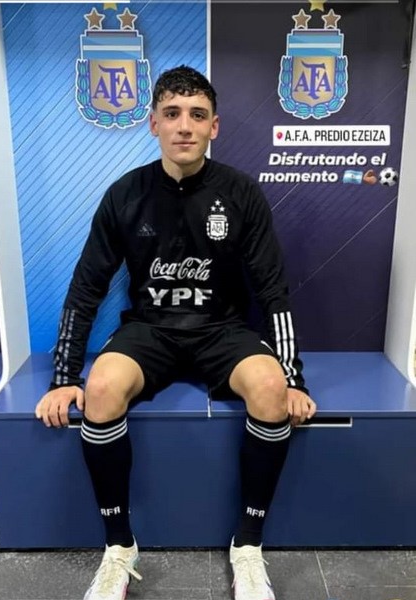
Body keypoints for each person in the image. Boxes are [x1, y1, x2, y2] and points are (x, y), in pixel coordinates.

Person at [35, 65, 317, 600]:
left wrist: (293, 378)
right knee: (101, 388)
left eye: (197, 115)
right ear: (154, 124)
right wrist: (64, 377)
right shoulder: (125, 193)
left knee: (270, 387)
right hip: (150, 330)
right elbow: (86, 287)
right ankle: (119, 548)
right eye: (172, 114)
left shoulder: (241, 193)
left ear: (214, 126)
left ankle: (248, 546)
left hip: (222, 329)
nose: (184, 126)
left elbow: (272, 290)